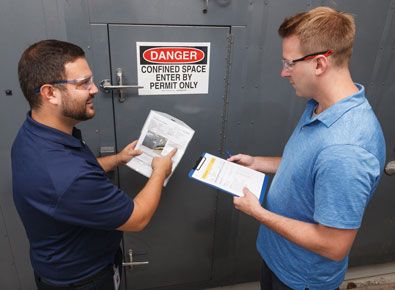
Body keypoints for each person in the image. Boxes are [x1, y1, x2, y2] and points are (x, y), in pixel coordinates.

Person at [229, 7, 386, 290]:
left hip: (300, 279)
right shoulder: (319, 106)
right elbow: (307, 166)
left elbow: (333, 245)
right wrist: (257, 163)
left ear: (319, 64)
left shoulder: (347, 150)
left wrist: (258, 212)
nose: (283, 72)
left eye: (289, 63)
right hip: (278, 257)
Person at [12, 39, 176, 290]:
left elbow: (72, 179)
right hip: (84, 280)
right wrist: (159, 171)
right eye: (83, 83)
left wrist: (117, 159)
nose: (95, 90)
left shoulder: (35, 134)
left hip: (63, 268)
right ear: (50, 93)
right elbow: (138, 218)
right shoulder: (66, 175)